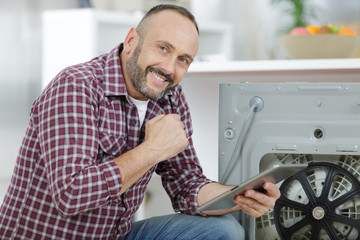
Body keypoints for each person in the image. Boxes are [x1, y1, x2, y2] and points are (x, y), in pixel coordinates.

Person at [0, 4, 280, 239]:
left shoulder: (169, 98)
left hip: (114, 234)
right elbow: (72, 194)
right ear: (132, 40)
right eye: (163, 48)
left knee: (225, 230)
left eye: (183, 59)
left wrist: (239, 195)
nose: (170, 68)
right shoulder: (76, 87)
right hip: (50, 235)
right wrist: (152, 150)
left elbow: (186, 185)